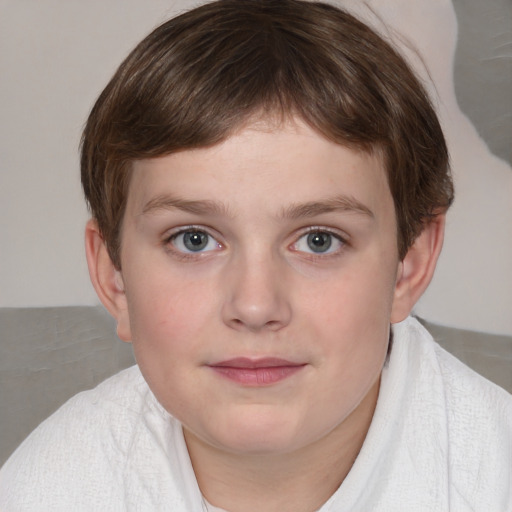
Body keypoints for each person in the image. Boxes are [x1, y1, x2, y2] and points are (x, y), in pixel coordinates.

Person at [0, 1, 510, 510]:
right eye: (194, 240)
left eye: (318, 240)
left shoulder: (492, 476)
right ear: (115, 277)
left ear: (409, 264)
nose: (256, 305)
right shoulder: (49, 488)